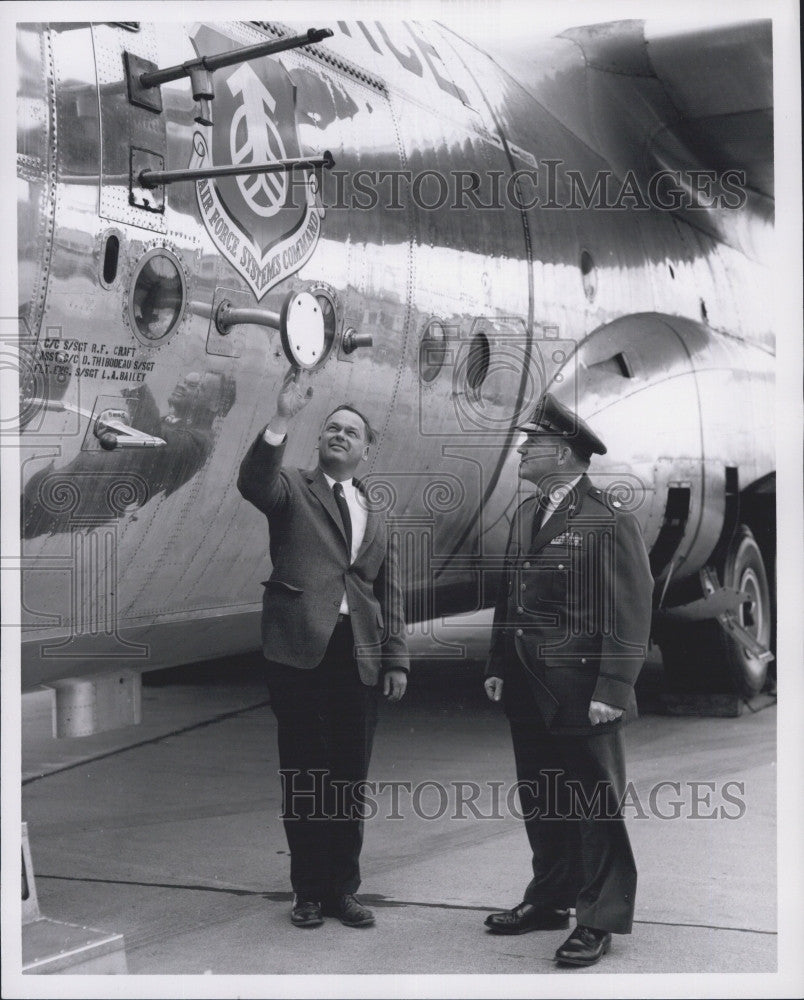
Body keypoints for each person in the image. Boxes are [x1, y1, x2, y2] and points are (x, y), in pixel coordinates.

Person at [483, 392, 652, 966]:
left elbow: (629, 608)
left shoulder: (609, 518)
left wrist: (614, 688)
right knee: (543, 796)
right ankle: (550, 898)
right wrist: (498, 666)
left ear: (564, 450)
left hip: (583, 690)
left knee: (594, 804)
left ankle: (598, 918)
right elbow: (511, 597)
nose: (523, 449)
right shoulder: (529, 514)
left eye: (533, 442)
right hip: (531, 686)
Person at [237, 368, 409, 930]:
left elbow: (388, 591)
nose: (339, 435)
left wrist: (396, 659)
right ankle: (307, 892)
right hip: (299, 652)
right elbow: (254, 483)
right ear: (320, 439)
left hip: (357, 655)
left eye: (351, 432)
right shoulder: (292, 489)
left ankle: (342, 891)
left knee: (348, 779)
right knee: (305, 776)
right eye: (332, 428)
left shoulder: (375, 512)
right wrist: (282, 415)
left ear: (365, 451)